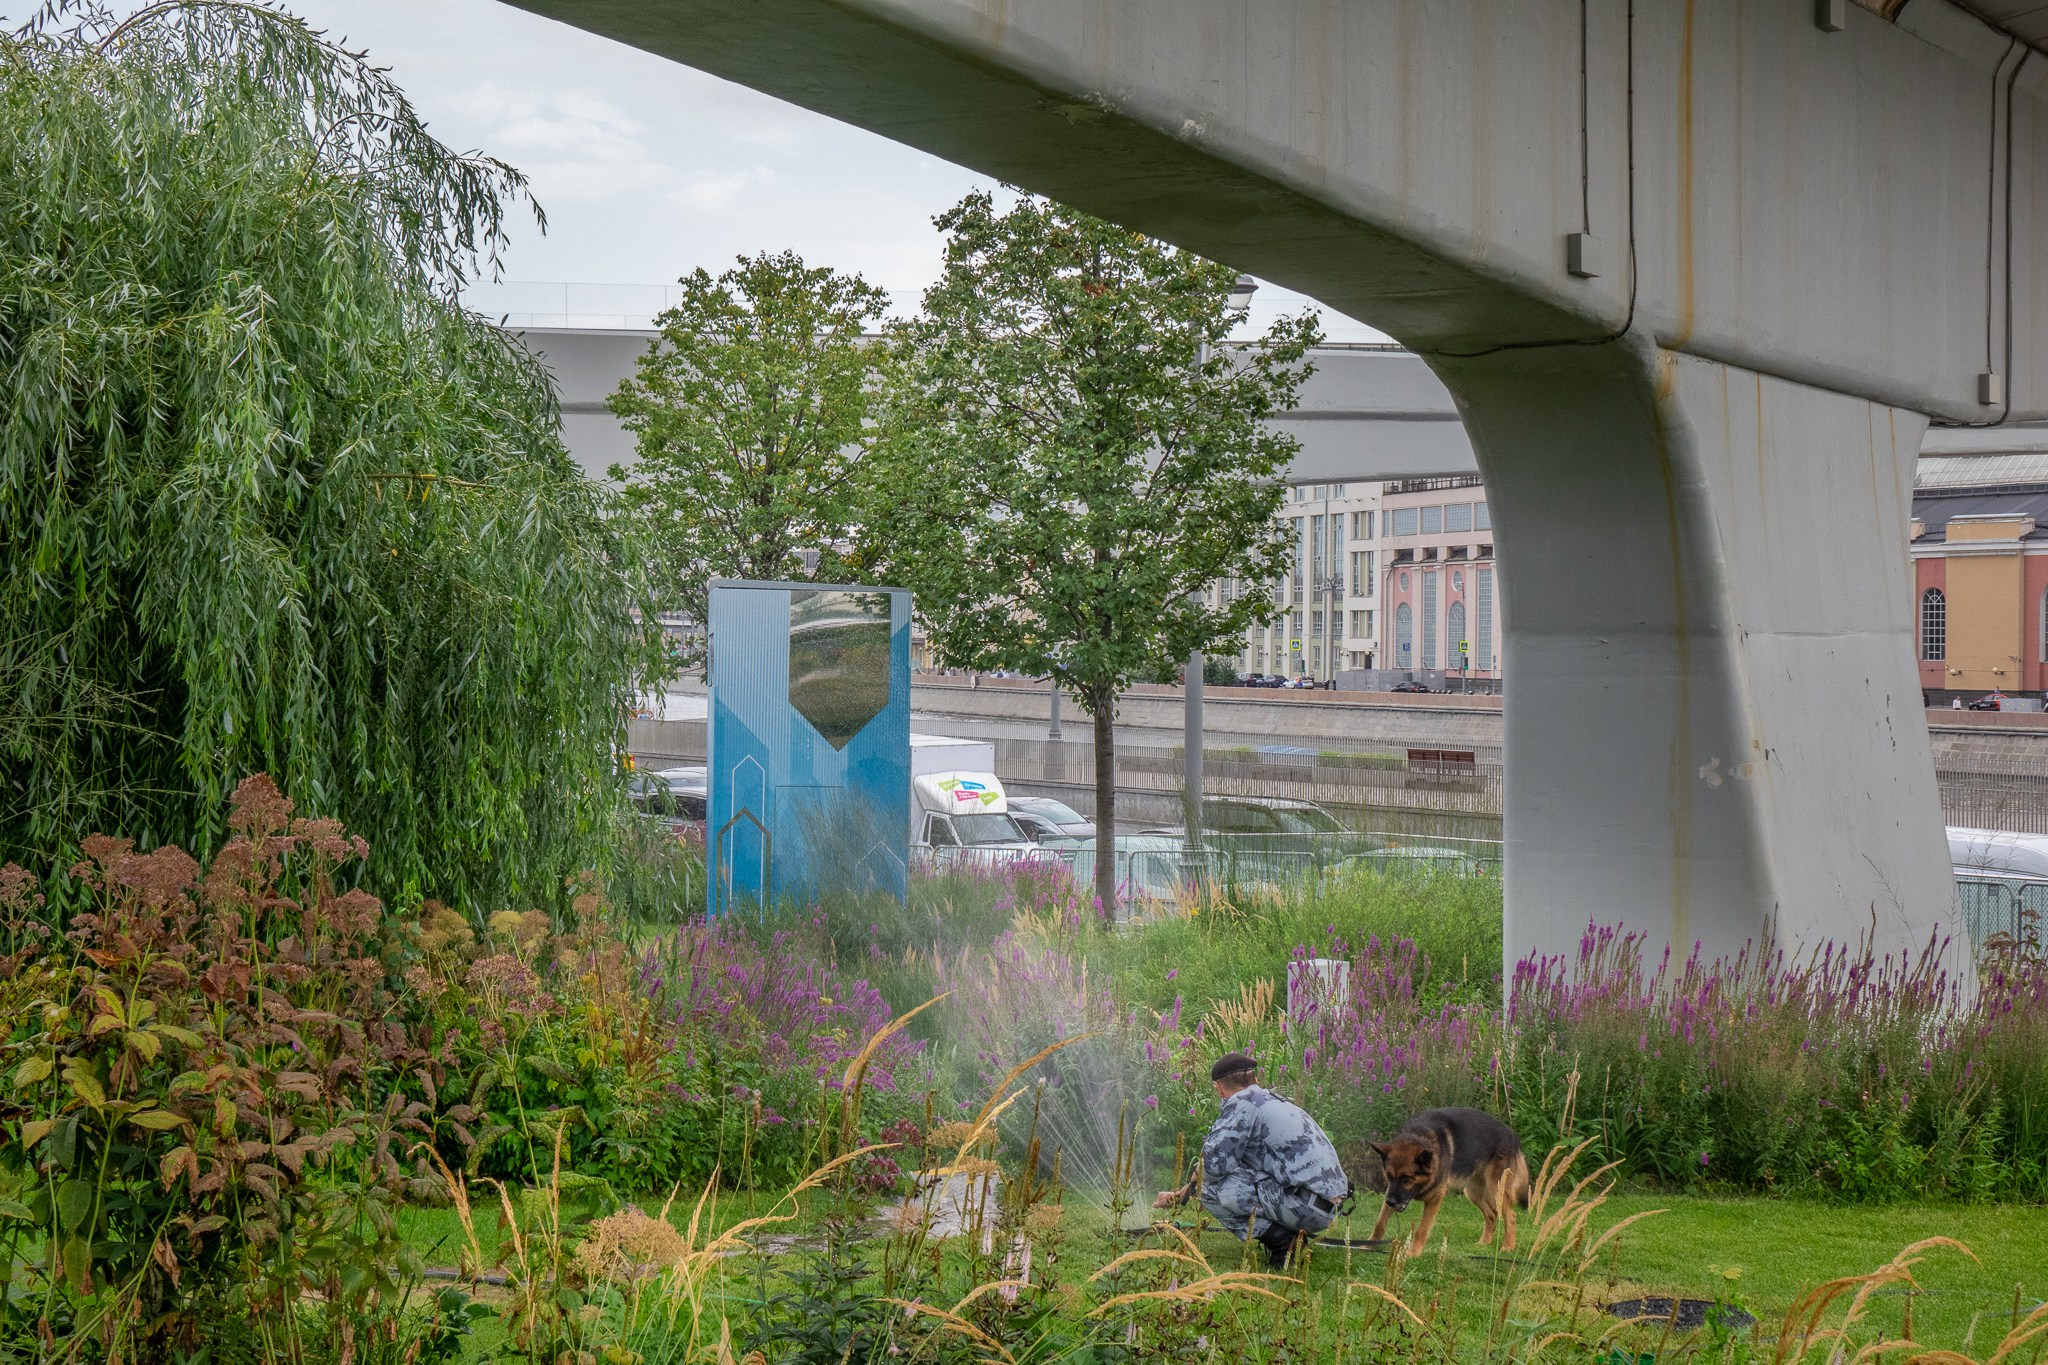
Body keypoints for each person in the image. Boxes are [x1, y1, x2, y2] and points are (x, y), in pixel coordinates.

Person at [1153, 1053, 1350, 1268]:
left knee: (1207, 1190)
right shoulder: (1272, 1101)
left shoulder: (1241, 1105)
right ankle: (1290, 1234)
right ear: (1255, 1080)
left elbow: (1213, 1167)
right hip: (1327, 1208)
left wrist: (1182, 1194)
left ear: (1219, 1088)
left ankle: (1284, 1244)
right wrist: (1180, 1194)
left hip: (1307, 1210)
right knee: (1230, 1171)